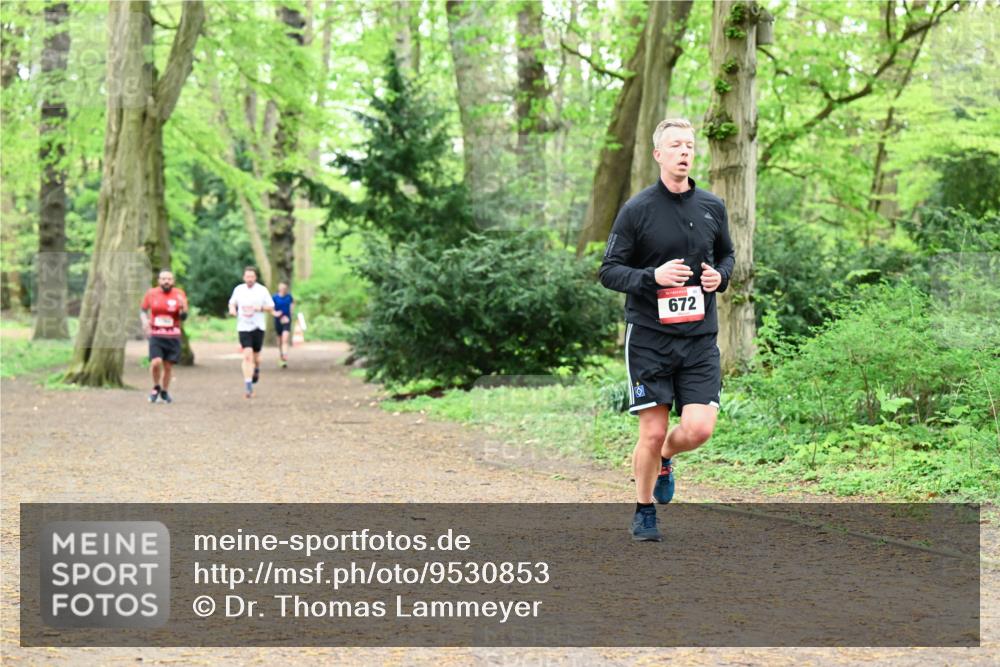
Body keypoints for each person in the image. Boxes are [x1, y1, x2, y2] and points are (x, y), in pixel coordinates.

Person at [599, 118, 736, 542]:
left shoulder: (712, 206)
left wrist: (720, 278)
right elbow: (609, 271)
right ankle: (644, 510)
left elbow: (727, 255)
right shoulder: (637, 209)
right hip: (650, 338)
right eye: (676, 145)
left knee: (699, 429)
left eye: (690, 145)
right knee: (652, 429)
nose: (684, 152)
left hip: (698, 338)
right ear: (658, 154)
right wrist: (652, 277)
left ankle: (664, 458)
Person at [140, 270, 189, 404]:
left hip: (172, 335)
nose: (166, 281)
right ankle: (156, 387)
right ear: (159, 281)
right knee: (156, 362)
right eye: (163, 279)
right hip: (156, 334)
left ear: (173, 281)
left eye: (169, 279)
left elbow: (183, 317)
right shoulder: (151, 293)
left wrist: (183, 307)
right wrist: (144, 322)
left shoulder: (179, 294)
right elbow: (143, 310)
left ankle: (165, 391)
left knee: (168, 367)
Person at [228, 266, 274, 399]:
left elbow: (271, 307)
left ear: (255, 277)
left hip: (258, 327)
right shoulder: (238, 289)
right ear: (244, 277)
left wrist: (260, 308)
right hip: (243, 327)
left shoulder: (262, 290)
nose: (249, 279)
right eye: (247, 276)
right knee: (247, 355)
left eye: (252, 277)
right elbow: (232, 303)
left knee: (257, 357)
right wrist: (232, 310)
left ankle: (256, 369)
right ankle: (248, 385)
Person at [272, 282, 294, 368]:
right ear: (278, 288)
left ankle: (284, 356)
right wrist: (277, 314)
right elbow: (272, 309)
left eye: (284, 287)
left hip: (286, 321)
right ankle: (281, 355)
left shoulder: (289, 297)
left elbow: (291, 307)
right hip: (278, 320)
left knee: (285, 339)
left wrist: (290, 316)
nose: (283, 289)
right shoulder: (274, 297)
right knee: (280, 340)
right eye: (281, 287)